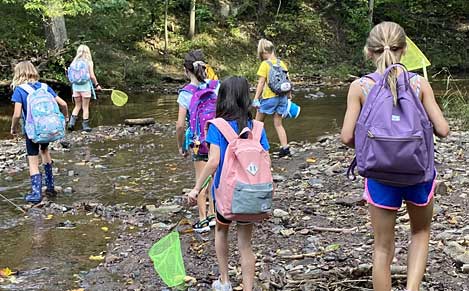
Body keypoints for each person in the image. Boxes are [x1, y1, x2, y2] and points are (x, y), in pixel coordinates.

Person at [340, 22, 449, 291]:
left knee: (382, 248)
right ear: (405, 49)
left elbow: (346, 137)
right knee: (420, 233)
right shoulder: (418, 83)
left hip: (379, 174)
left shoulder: (360, 87)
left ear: (368, 52)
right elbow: (443, 130)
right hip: (417, 173)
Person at [187, 76, 270, 291]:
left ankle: (224, 280)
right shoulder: (257, 127)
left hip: (226, 194)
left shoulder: (217, 126)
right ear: (246, 98)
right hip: (251, 193)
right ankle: (248, 288)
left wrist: (197, 189)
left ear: (223, 98)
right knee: (246, 245)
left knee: (221, 232)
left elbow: (213, 161)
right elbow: (266, 160)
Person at [10, 61, 68, 203]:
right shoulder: (44, 87)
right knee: (45, 151)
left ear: (18, 73)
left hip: (32, 131)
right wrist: (65, 118)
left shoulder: (19, 90)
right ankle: (50, 186)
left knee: (33, 159)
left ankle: (36, 194)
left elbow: (17, 114)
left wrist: (13, 128)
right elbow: (64, 104)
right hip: (47, 129)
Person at [176, 50, 218, 233]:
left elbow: (179, 125)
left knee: (199, 179)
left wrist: (180, 146)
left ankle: (202, 220)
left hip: (196, 142)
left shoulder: (185, 93)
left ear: (186, 71)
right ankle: (213, 215)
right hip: (215, 137)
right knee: (213, 177)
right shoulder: (216, 86)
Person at [253, 38, 291, 157]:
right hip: (282, 97)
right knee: (278, 124)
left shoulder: (265, 64)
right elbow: (288, 80)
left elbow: (261, 83)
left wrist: (256, 98)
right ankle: (285, 148)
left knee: (257, 123)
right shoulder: (281, 63)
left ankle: (254, 147)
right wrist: (289, 96)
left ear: (264, 52)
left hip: (269, 98)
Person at [68, 44, 102, 132]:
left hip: (75, 88)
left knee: (77, 106)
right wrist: (97, 85)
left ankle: (71, 124)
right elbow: (92, 76)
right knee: (85, 107)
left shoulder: (74, 62)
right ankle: (85, 126)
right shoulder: (89, 62)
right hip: (85, 88)